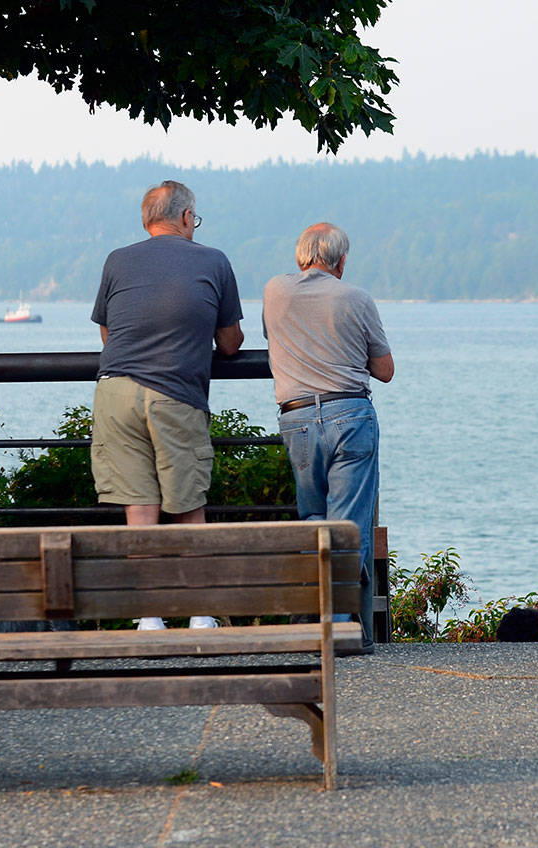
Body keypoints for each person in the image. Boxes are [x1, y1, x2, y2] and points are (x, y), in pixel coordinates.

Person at [90, 180, 244, 630]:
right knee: (189, 505)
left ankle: (150, 615)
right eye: (193, 219)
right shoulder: (213, 260)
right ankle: (199, 612)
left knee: (139, 512)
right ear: (183, 218)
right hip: (175, 392)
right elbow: (230, 343)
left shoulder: (117, 260)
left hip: (115, 391)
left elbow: (107, 335)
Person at [262, 223, 394, 652]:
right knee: (349, 525)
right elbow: (385, 370)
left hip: (297, 419)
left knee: (314, 520)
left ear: (300, 257)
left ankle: (316, 616)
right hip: (350, 415)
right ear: (341, 262)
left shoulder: (274, 292)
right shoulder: (356, 298)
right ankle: (338, 626)